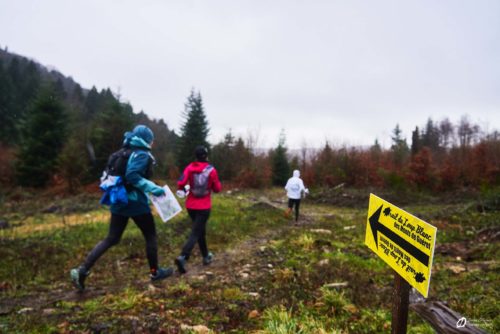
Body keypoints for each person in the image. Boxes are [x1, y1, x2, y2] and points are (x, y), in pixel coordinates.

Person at [70, 125, 173, 291]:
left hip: (118, 201)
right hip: (136, 203)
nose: (152, 143)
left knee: (111, 238)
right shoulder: (141, 154)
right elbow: (132, 176)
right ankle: (155, 272)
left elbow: (107, 177)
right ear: (146, 140)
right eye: (152, 139)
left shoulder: (118, 154)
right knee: (150, 236)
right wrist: (154, 188)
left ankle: (82, 270)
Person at [175, 146, 221, 274]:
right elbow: (217, 189)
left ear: (196, 156)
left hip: (191, 206)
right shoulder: (211, 170)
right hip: (204, 207)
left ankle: (206, 256)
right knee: (196, 232)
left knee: (200, 231)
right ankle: (183, 257)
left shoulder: (189, 168)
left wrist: (186, 187)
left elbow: (180, 183)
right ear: (206, 156)